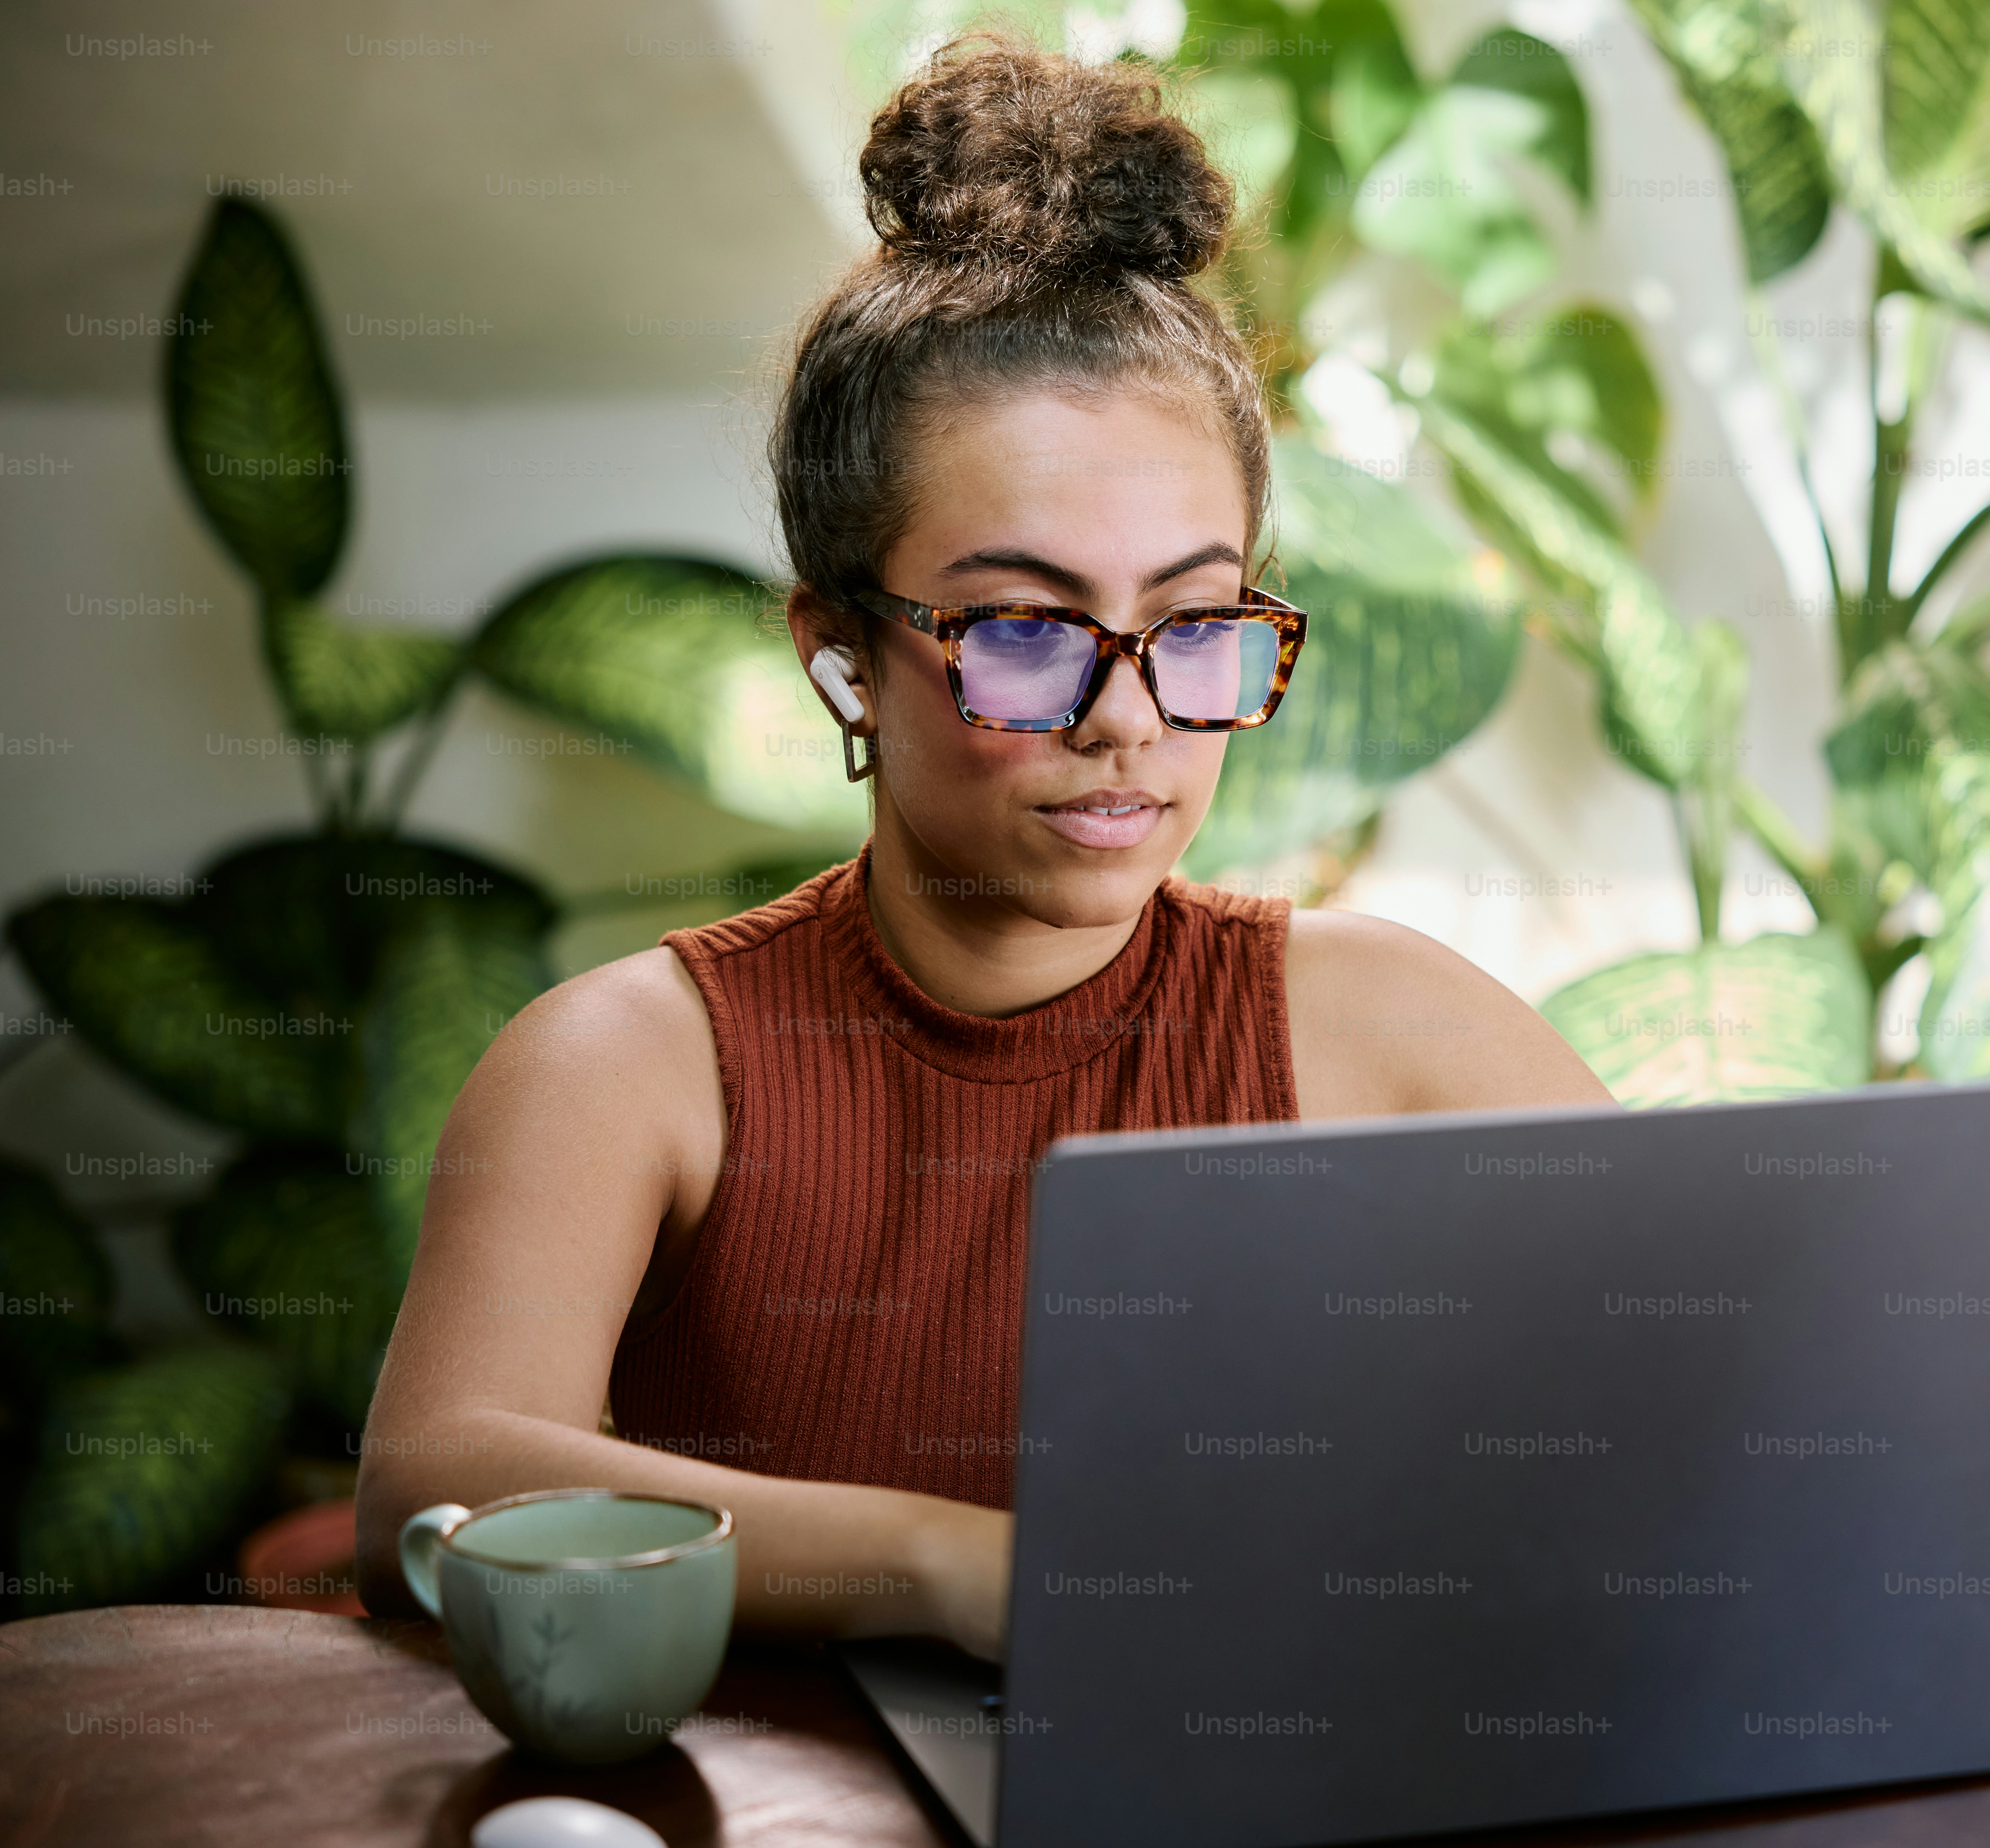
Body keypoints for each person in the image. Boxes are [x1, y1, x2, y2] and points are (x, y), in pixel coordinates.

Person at [352, 38, 1612, 1655]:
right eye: (1027, 630)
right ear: (844, 655)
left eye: (1196, 623)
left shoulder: (1386, 1026)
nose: (1130, 720)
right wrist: (952, 1568)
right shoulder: (631, 1065)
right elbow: (430, 1494)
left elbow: (1710, 1384)